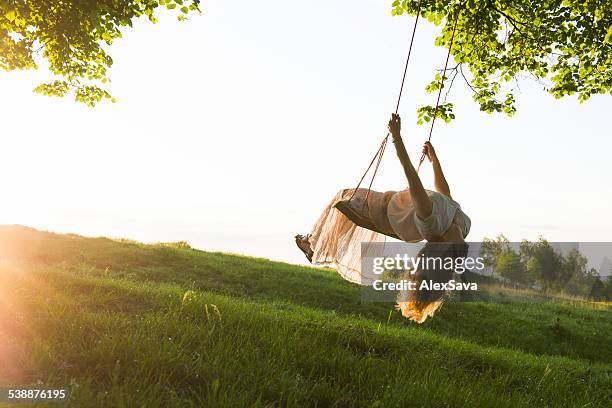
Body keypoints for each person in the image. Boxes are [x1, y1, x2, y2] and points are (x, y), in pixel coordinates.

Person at [295, 113, 471, 322]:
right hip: (398, 208)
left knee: (345, 199)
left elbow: (410, 174)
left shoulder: (431, 223)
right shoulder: (462, 226)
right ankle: (314, 244)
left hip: (388, 210)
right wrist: (434, 161)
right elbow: (446, 195)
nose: (462, 242)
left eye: (456, 245)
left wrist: (396, 137)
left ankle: (313, 245)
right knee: (344, 201)